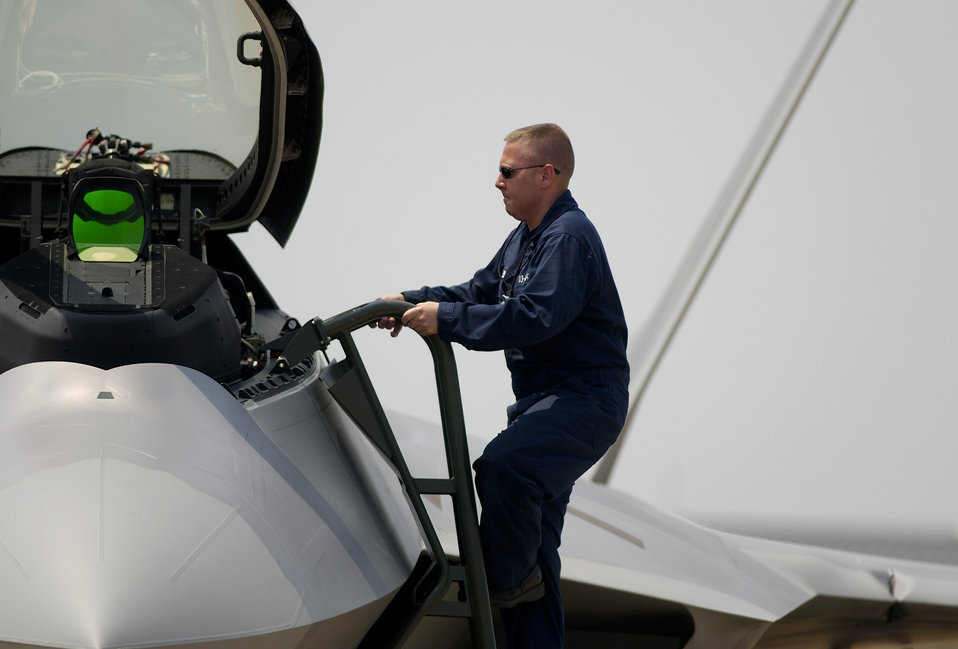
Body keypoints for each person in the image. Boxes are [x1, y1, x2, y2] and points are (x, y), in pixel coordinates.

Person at [374, 123, 629, 648]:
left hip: (582, 402)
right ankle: (523, 603)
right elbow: (480, 291)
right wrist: (410, 301)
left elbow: (534, 317)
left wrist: (445, 321)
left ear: (546, 175)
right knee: (536, 554)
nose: (497, 181)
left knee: (503, 467)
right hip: (544, 405)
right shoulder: (526, 239)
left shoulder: (567, 237)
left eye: (507, 171)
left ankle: (502, 589)